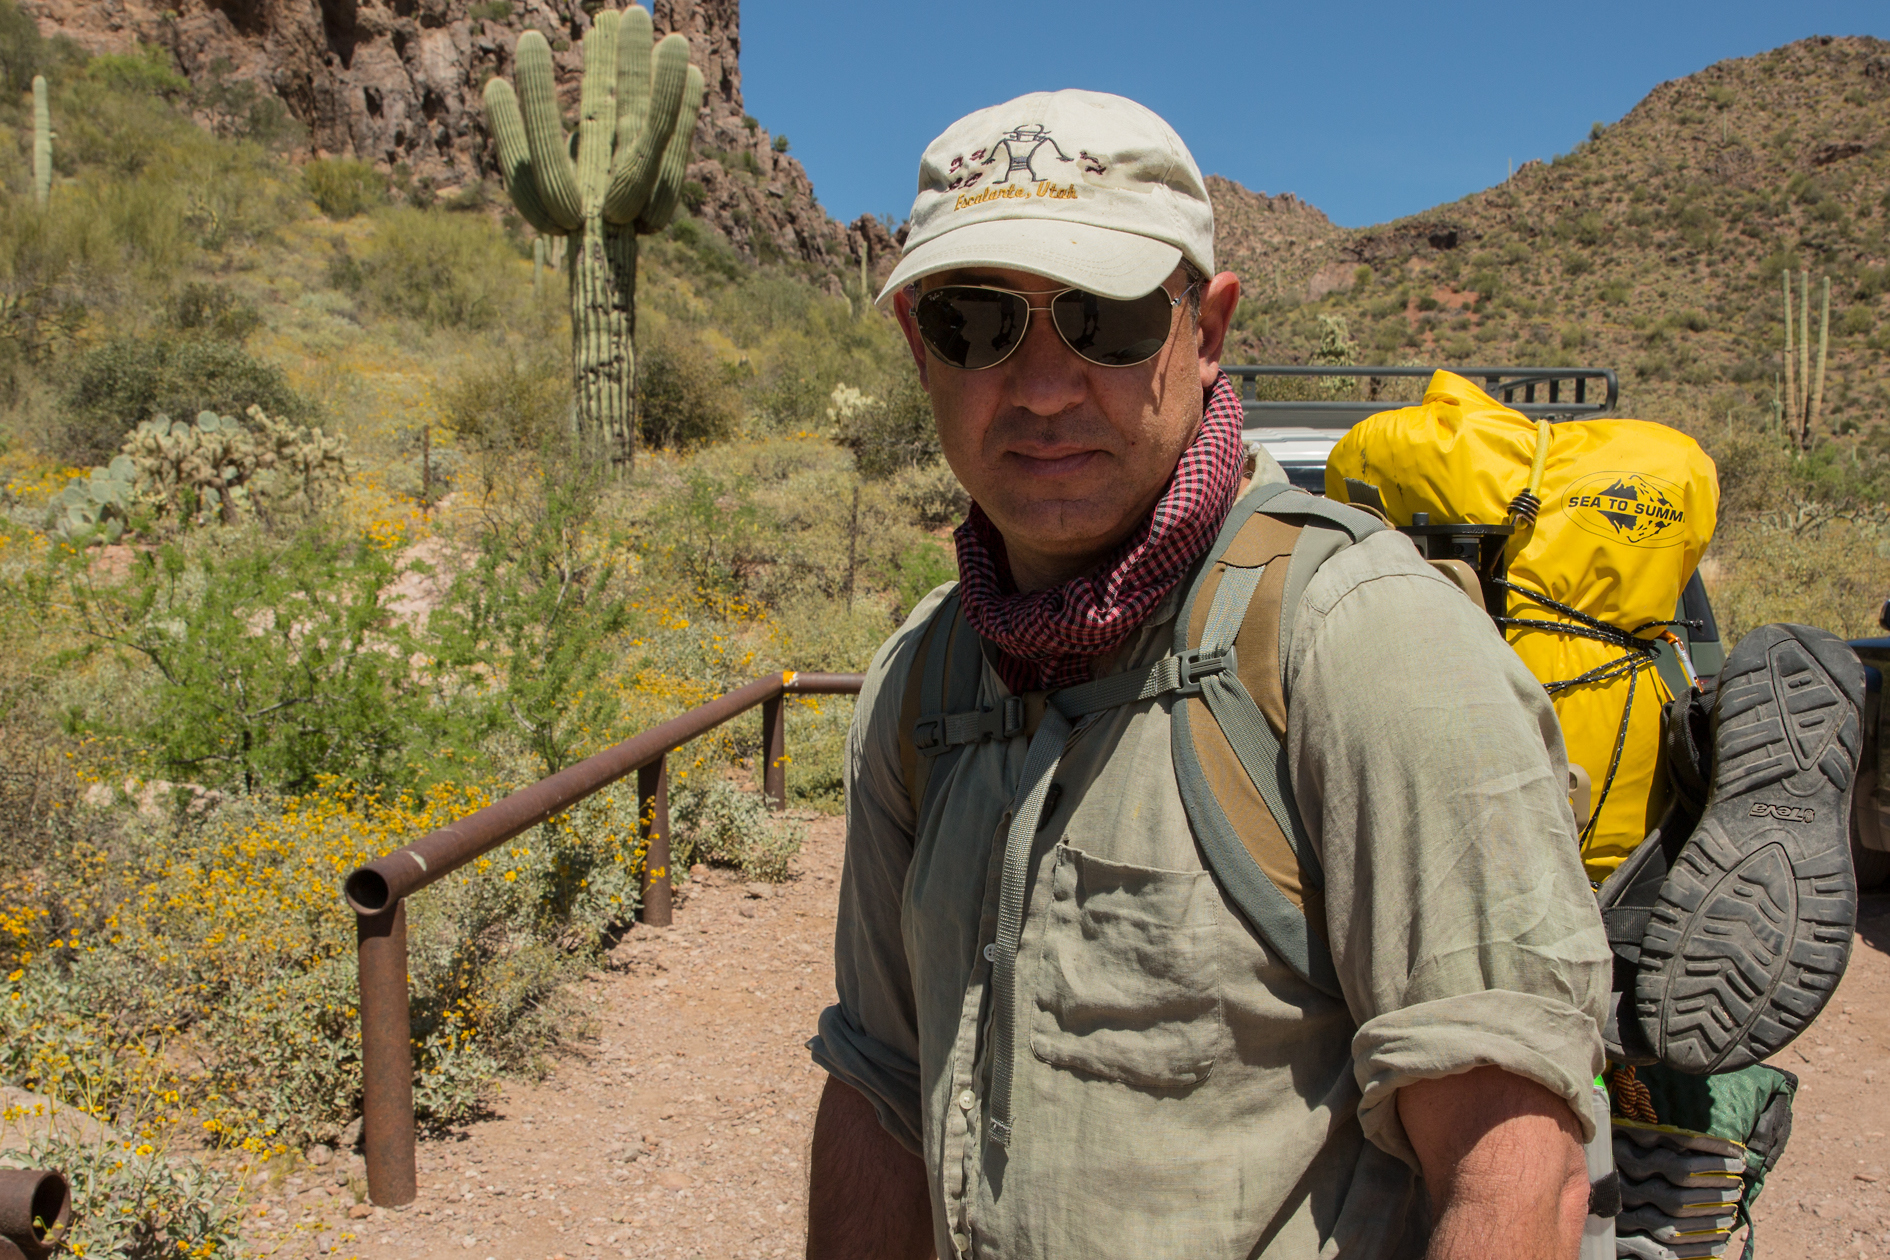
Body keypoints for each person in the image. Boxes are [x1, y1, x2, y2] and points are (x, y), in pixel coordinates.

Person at [804, 89, 1612, 1260]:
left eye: (1107, 318)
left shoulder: (1360, 643)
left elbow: (1512, 1175)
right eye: (978, 323)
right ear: (918, 347)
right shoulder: (922, 686)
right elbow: (883, 1086)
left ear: (1208, 329)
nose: (1038, 387)